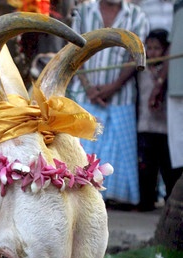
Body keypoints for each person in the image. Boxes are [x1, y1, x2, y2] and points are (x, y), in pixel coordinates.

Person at [69, 0, 149, 208]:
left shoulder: (136, 16)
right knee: (81, 149)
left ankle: (116, 199)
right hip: (85, 94)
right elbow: (73, 49)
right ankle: (81, 193)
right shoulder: (84, 12)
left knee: (120, 149)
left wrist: (114, 86)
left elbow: (137, 55)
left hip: (121, 96)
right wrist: (87, 86)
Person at [137, 29, 174, 211]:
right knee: (146, 167)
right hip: (145, 125)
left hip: (166, 128)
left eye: (157, 48)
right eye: (149, 48)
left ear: (165, 50)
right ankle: (146, 202)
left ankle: (170, 201)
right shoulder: (141, 69)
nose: (152, 52)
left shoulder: (168, 69)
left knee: (168, 168)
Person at [167, 0, 183, 185]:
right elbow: (172, 46)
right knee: (177, 146)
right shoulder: (179, 6)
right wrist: (161, 82)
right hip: (176, 85)